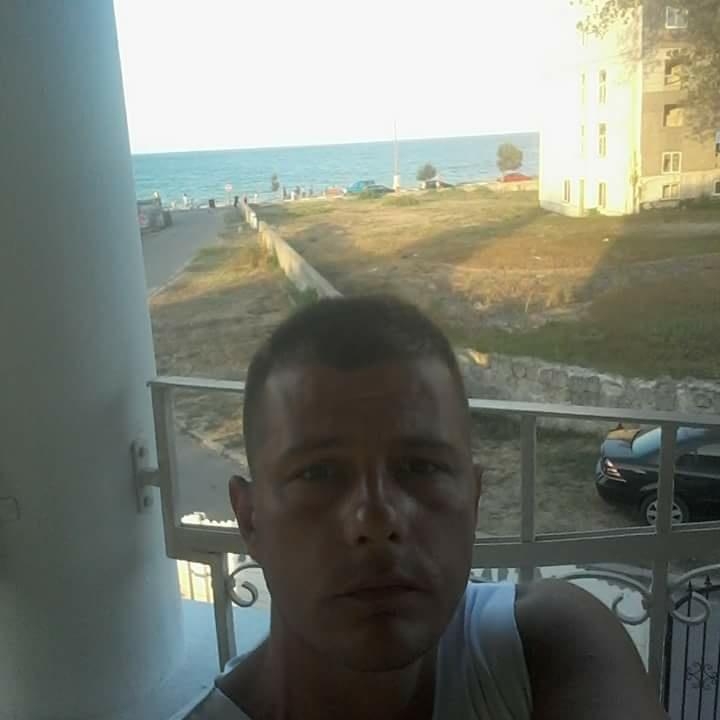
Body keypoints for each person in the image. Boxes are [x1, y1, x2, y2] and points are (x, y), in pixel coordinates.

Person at [181, 296, 666, 720]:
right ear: (250, 519)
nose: (376, 520)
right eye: (319, 474)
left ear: (473, 500)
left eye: (420, 467)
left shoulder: (550, 647)